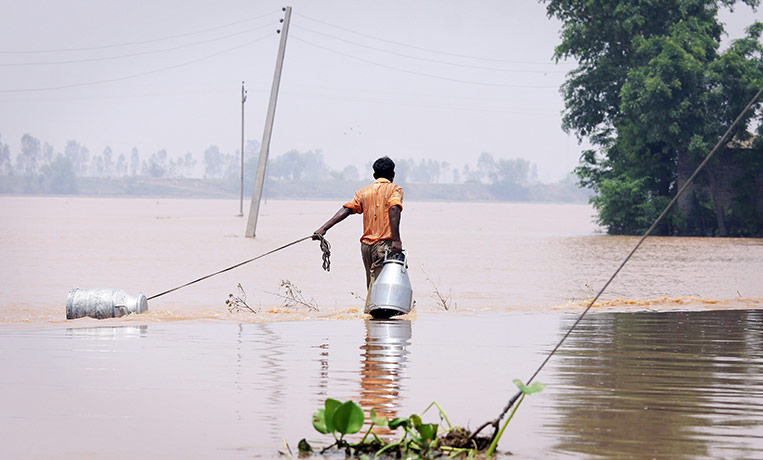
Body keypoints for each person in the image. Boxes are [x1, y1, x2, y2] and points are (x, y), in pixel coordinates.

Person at [314, 156, 403, 311]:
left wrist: (324, 228)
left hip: (366, 247)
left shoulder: (364, 192)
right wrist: (396, 240)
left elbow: (347, 209)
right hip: (384, 245)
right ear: (392, 175)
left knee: (372, 282)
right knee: (379, 284)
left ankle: (372, 319)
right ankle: (371, 314)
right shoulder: (395, 190)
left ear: (374, 175)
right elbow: (394, 208)